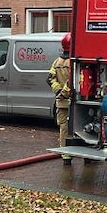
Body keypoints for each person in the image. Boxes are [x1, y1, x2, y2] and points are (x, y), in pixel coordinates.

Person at [47, 33, 73, 165]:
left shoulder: (56, 62)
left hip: (61, 103)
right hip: (73, 102)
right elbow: (73, 81)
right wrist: (65, 92)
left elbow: (50, 79)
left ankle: (66, 156)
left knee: (64, 129)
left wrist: (58, 91)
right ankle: (87, 156)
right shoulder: (72, 62)